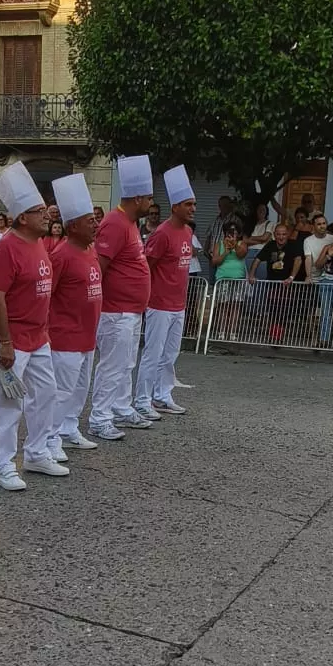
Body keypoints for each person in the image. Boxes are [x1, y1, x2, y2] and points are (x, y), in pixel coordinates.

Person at [0, 162, 63, 488]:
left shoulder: (39, 245)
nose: (47, 216)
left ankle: (36, 453)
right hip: (12, 337)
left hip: (38, 336)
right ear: (22, 218)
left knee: (46, 394)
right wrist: (5, 342)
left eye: (46, 210)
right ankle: (2, 465)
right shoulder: (7, 248)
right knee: (8, 403)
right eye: (39, 211)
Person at [90, 155, 154, 436]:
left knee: (126, 363)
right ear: (137, 198)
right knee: (112, 366)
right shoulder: (115, 223)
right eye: (149, 198)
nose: (151, 204)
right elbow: (98, 268)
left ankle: (121, 407)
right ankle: (99, 418)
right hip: (116, 312)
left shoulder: (128, 223)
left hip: (130, 310)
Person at [47, 172, 105, 450]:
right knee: (61, 391)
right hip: (65, 336)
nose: (95, 225)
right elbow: (46, 296)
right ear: (72, 226)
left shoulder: (90, 250)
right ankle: (50, 438)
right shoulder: (60, 255)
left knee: (80, 389)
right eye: (89, 221)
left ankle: (69, 428)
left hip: (87, 335)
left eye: (95, 219)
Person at [137, 165, 197, 417]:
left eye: (194, 204)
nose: (193, 208)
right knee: (152, 353)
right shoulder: (161, 234)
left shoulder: (187, 232)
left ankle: (162, 395)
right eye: (188, 205)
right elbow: (147, 267)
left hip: (178, 303)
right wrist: (145, 299)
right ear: (175, 207)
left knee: (170, 353)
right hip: (159, 304)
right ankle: (142, 400)